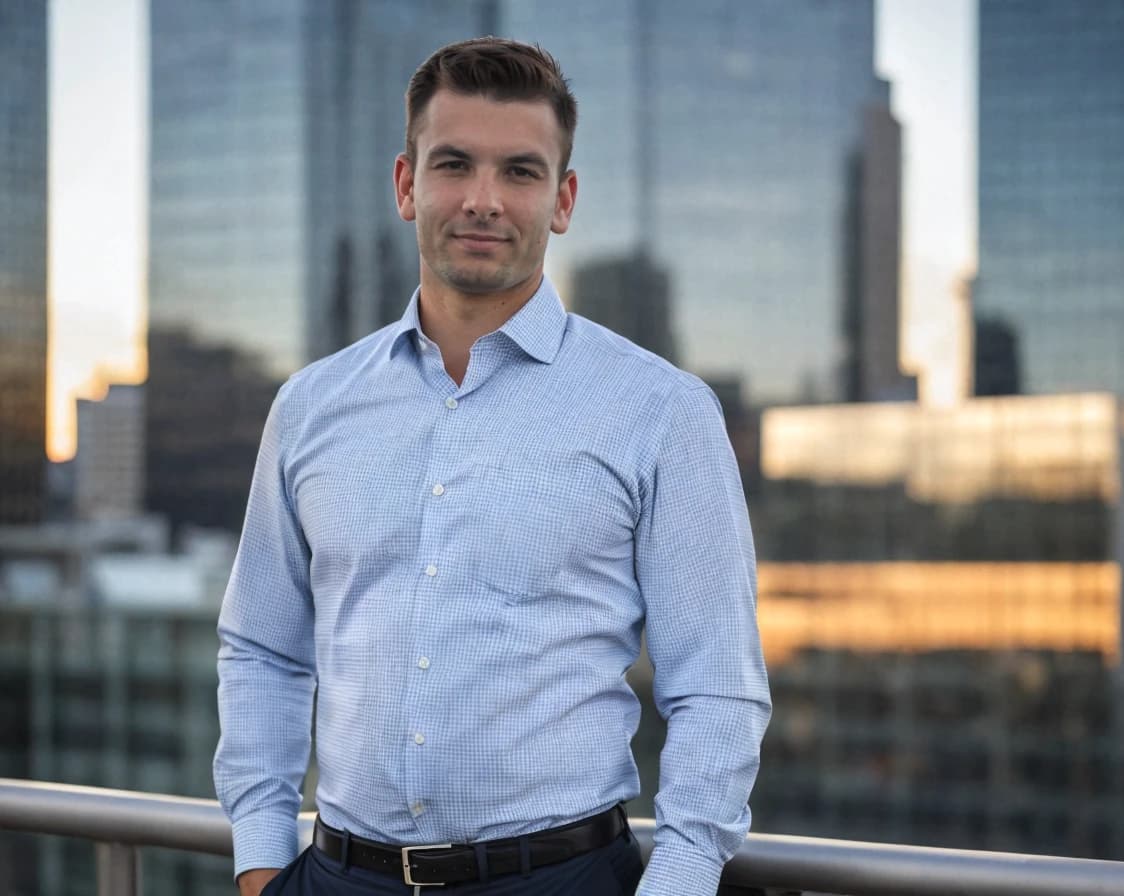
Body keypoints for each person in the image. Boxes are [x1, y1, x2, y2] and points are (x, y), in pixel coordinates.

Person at [214, 37, 771, 896]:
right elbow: (261, 648)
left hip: (563, 878)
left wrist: (679, 881)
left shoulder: (662, 412)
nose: (483, 200)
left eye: (519, 171)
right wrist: (259, 864)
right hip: (333, 877)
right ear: (407, 185)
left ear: (563, 199)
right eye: (453, 165)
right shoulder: (309, 408)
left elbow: (718, 691)